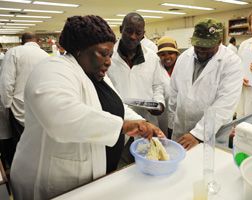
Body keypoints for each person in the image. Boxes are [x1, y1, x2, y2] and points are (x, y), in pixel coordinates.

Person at [10, 15, 165, 200]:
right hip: (52, 182)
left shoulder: (98, 74)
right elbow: (61, 118)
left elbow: (117, 106)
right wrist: (123, 126)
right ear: (79, 50)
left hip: (92, 178)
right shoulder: (52, 69)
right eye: (102, 53)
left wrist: (141, 122)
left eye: (110, 54)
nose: (108, 61)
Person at [168, 18, 243, 150]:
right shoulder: (184, 58)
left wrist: (198, 134)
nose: (201, 50)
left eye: (207, 46)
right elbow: (174, 92)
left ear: (220, 42)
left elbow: (225, 104)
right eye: (198, 45)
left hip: (213, 132)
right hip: (181, 129)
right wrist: (171, 124)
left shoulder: (232, 62)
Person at [106, 12, 165, 164]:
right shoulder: (108, 56)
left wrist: (158, 103)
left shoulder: (151, 57)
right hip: (120, 124)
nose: (133, 37)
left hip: (146, 124)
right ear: (121, 29)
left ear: (143, 34)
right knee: (119, 168)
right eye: (129, 31)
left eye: (138, 33)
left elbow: (157, 85)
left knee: (147, 165)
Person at [0, 32, 50, 165]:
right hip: (41, 106)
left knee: (21, 144)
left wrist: (7, 105)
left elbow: (6, 81)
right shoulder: (46, 56)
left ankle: (22, 170)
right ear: (37, 41)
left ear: (22, 41)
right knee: (39, 142)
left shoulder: (13, 52)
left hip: (19, 106)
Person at [156, 36, 181, 138]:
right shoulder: (157, 68)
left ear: (176, 54)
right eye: (162, 54)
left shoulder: (182, 67)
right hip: (162, 114)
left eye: (170, 53)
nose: (167, 57)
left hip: (180, 113)